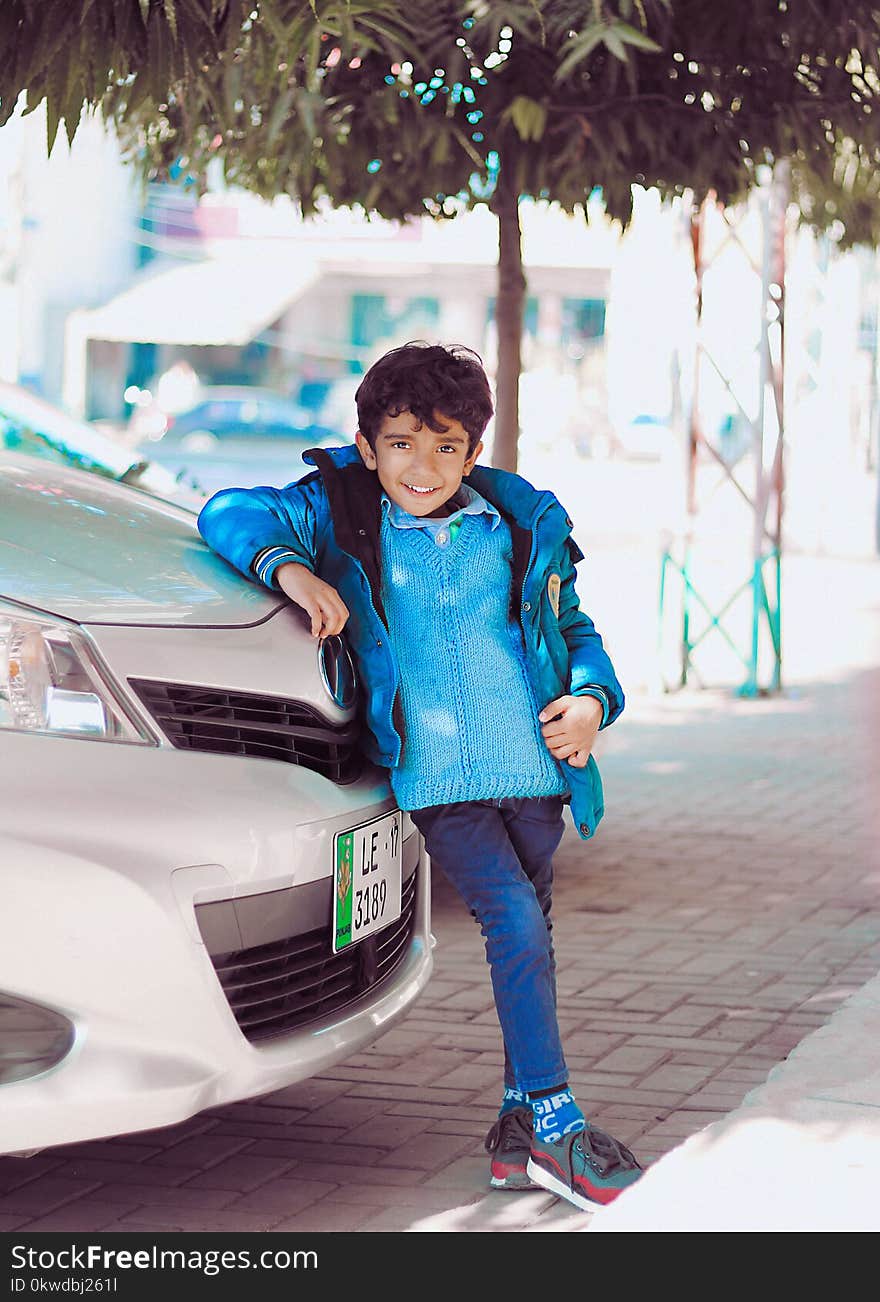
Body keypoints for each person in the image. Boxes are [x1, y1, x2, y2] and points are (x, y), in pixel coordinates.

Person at [197, 341, 643, 1209]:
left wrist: (592, 700)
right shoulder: (343, 517)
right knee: (512, 921)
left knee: (531, 940)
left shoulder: (515, 526)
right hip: (441, 780)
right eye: (401, 443)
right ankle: (555, 1123)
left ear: (475, 452)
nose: (423, 466)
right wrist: (286, 568)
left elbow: (575, 631)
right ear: (369, 448)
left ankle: (517, 1138)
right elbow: (228, 509)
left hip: (535, 772)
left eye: (447, 447)